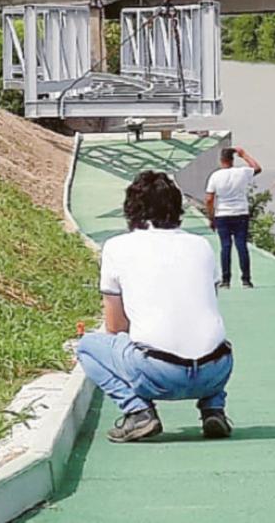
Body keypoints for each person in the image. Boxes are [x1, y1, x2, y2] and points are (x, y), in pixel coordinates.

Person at [76, 170, 234, 443]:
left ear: (130, 210)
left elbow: (115, 326)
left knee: (87, 347)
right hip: (216, 369)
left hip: (158, 373)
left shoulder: (116, 247)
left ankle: (137, 412)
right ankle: (213, 409)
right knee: (205, 333)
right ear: (177, 208)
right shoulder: (202, 245)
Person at [204, 147, 262, 289]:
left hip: (223, 214)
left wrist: (211, 217)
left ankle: (226, 280)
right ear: (232, 160)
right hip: (241, 212)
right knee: (241, 246)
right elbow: (257, 168)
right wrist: (244, 154)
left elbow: (209, 199)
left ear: (221, 160)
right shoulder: (242, 172)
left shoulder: (215, 176)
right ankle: (246, 280)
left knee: (225, 247)